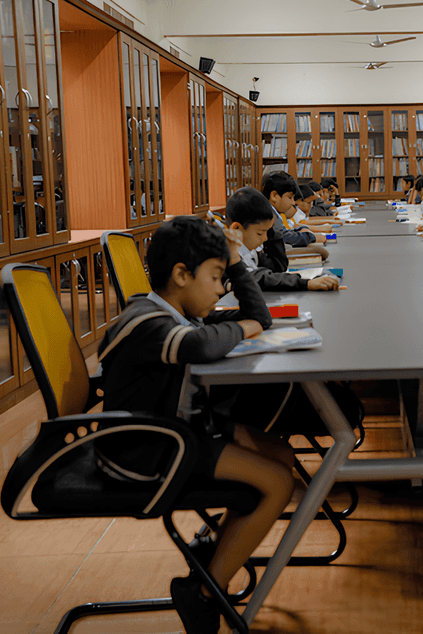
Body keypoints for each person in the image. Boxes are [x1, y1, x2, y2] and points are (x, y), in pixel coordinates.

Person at [96, 216, 296, 633]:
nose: (223, 288)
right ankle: (204, 592)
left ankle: (209, 548)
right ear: (182, 275)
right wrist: (243, 327)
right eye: (217, 277)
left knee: (280, 452)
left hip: (179, 433)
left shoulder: (178, 312)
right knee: (278, 482)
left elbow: (261, 316)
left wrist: (236, 260)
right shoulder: (146, 320)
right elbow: (201, 345)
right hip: (145, 449)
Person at [226, 188, 340, 292]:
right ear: (236, 229)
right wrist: (305, 283)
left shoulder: (251, 252)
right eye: (260, 233)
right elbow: (256, 278)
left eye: (267, 232)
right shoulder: (229, 254)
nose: (265, 238)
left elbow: (277, 268)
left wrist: (273, 232)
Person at [263, 173, 322, 248]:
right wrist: (312, 237)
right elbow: (285, 237)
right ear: (274, 196)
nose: (293, 203)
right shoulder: (268, 214)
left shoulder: (274, 212)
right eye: (290, 197)